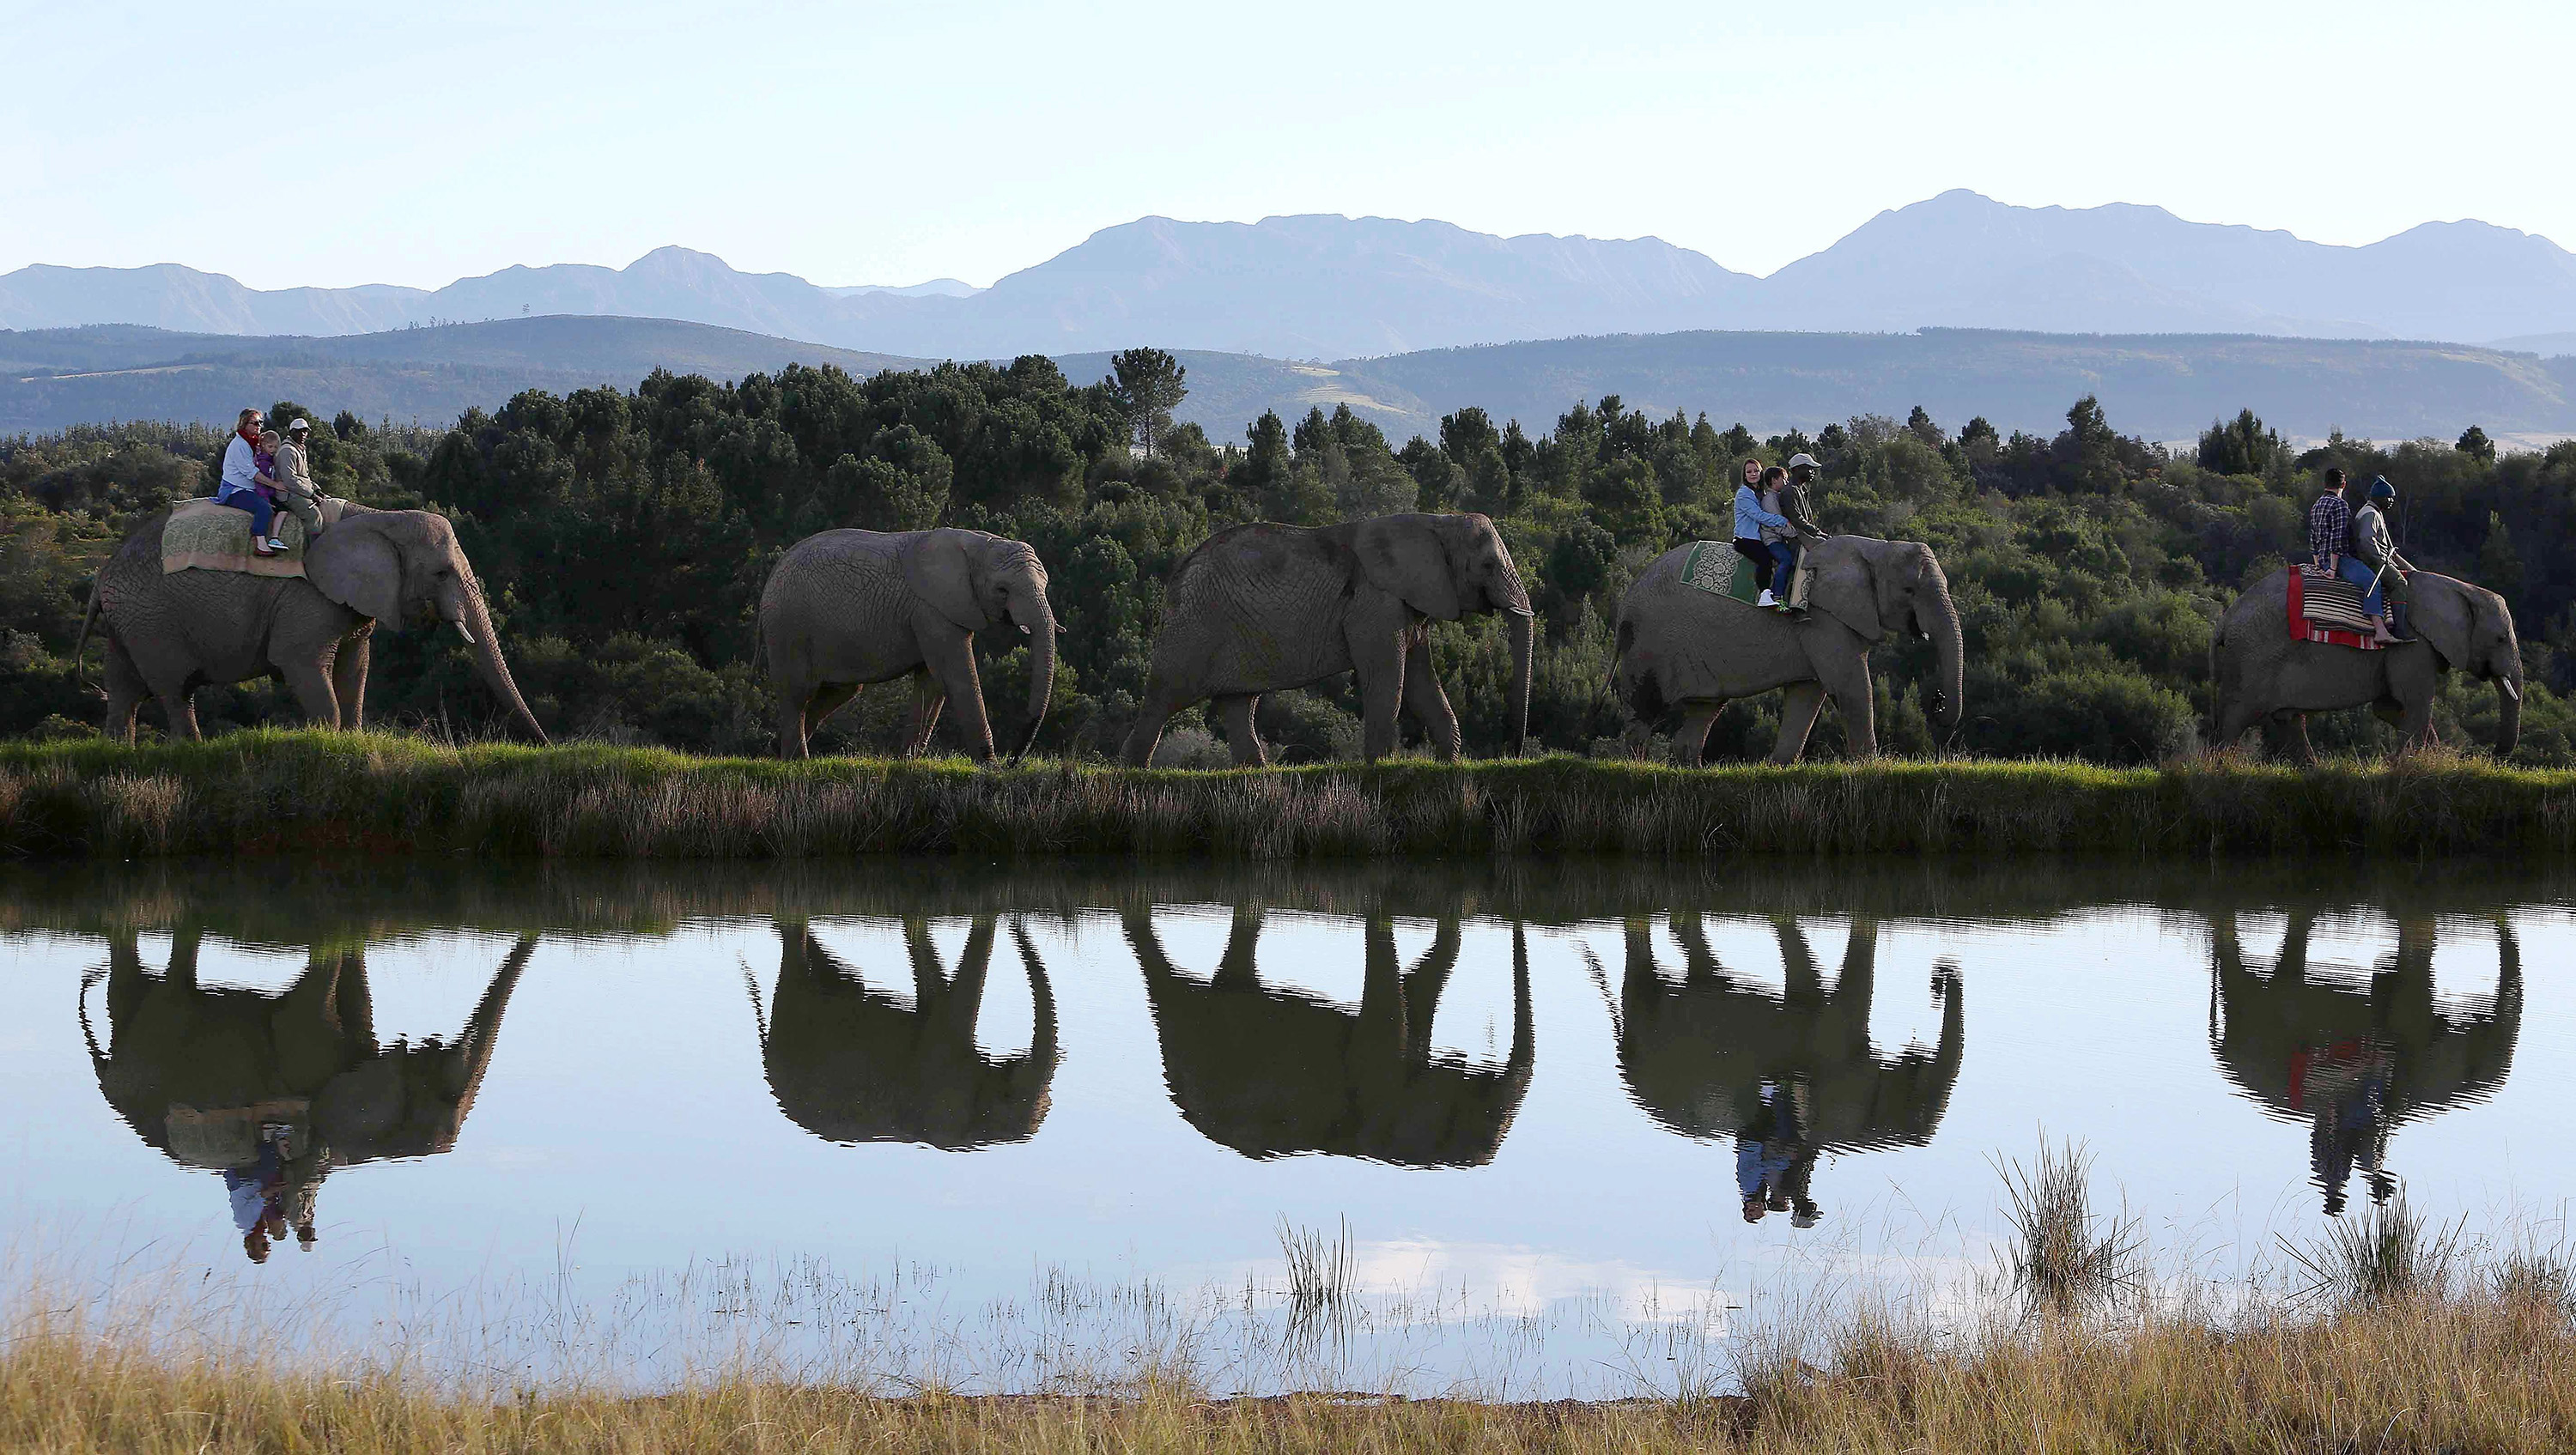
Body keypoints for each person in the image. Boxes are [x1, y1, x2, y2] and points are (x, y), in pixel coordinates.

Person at [2309, 468, 2394, 645]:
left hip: (2322, 560)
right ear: (2343, 485)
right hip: (2338, 561)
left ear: (2325, 484)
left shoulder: (2317, 504)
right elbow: (2337, 539)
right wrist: (2332, 569)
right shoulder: (2340, 505)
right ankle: (2380, 630)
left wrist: (2318, 564)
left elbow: (2313, 539)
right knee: (2373, 582)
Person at [216, 407, 289, 557]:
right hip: (235, 490)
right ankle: (260, 544)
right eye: (255, 423)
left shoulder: (253, 443)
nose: (259, 426)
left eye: (260, 422)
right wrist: (275, 485)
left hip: (249, 488)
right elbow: (252, 473)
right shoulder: (240, 445)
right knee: (265, 509)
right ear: (244, 424)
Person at [2348, 476, 2412, 639]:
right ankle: (2399, 629)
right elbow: (2366, 540)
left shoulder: (2372, 511)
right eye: (2389, 497)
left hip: (2377, 559)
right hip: (2372, 562)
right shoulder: (2371, 514)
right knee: (2399, 583)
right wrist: (2381, 559)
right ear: (2381, 497)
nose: (2391, 501)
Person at [1733, 459, 1794, 607]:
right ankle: (1765, 594)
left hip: (1755, 537)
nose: (1753, 474)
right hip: (1745, 538)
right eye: (1749, 472)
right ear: (1744, 475)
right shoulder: (1744, 494)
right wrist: (1782, 521)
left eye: (1756, 471)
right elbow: (1759, 516)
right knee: (1765, 559)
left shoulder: (1759, 493)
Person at [270, 417, 328, 540]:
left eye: (305, 431)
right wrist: (311, 495)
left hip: (299, 491)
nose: (303, 434)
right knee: (313, 515)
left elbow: (304, 476)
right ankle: (313, 550)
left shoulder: (300, 450)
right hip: (288, 494)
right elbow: (290, 480)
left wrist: (316, 489)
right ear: (292, 432)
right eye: (299, 431)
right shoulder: (288, 451)